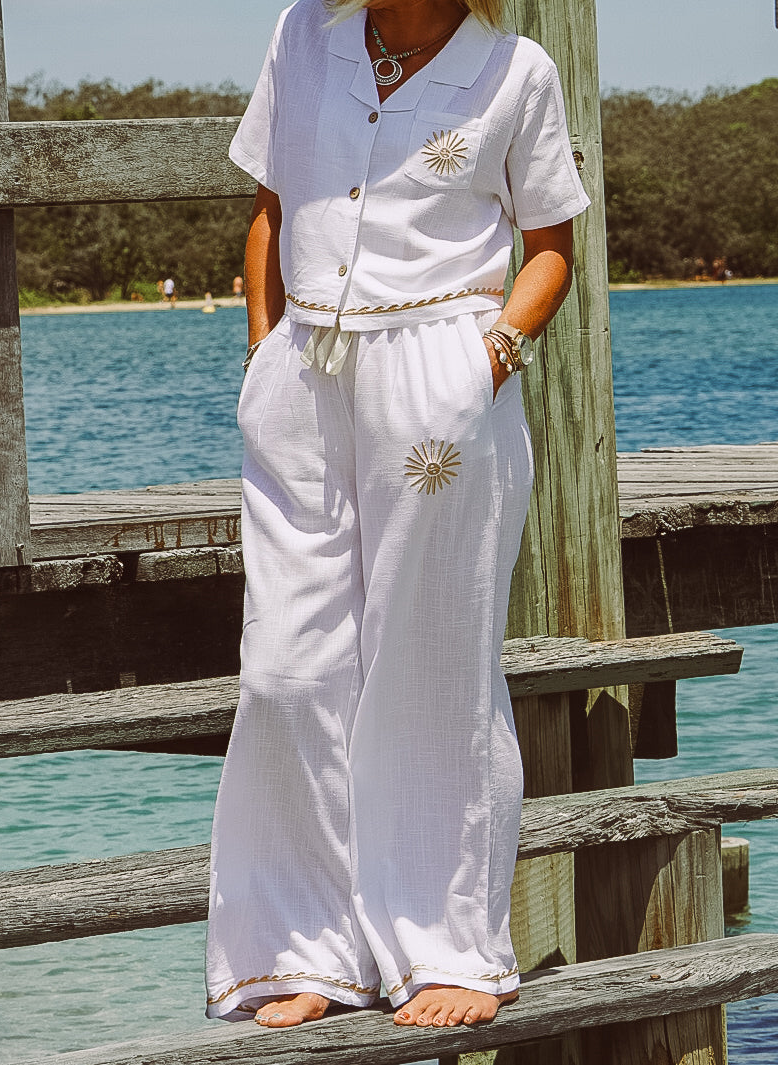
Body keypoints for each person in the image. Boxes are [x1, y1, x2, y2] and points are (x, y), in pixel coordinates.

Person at [206, 0, 589, 1033]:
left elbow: (551, 248)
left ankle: (447, 947)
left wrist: (487, 360)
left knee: (432, 663)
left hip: (440, 384)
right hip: (302, 376)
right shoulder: (303, 34)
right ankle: (308, 947)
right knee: (287, 668)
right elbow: (272, 207)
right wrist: (262, 353)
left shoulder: (515, 72)